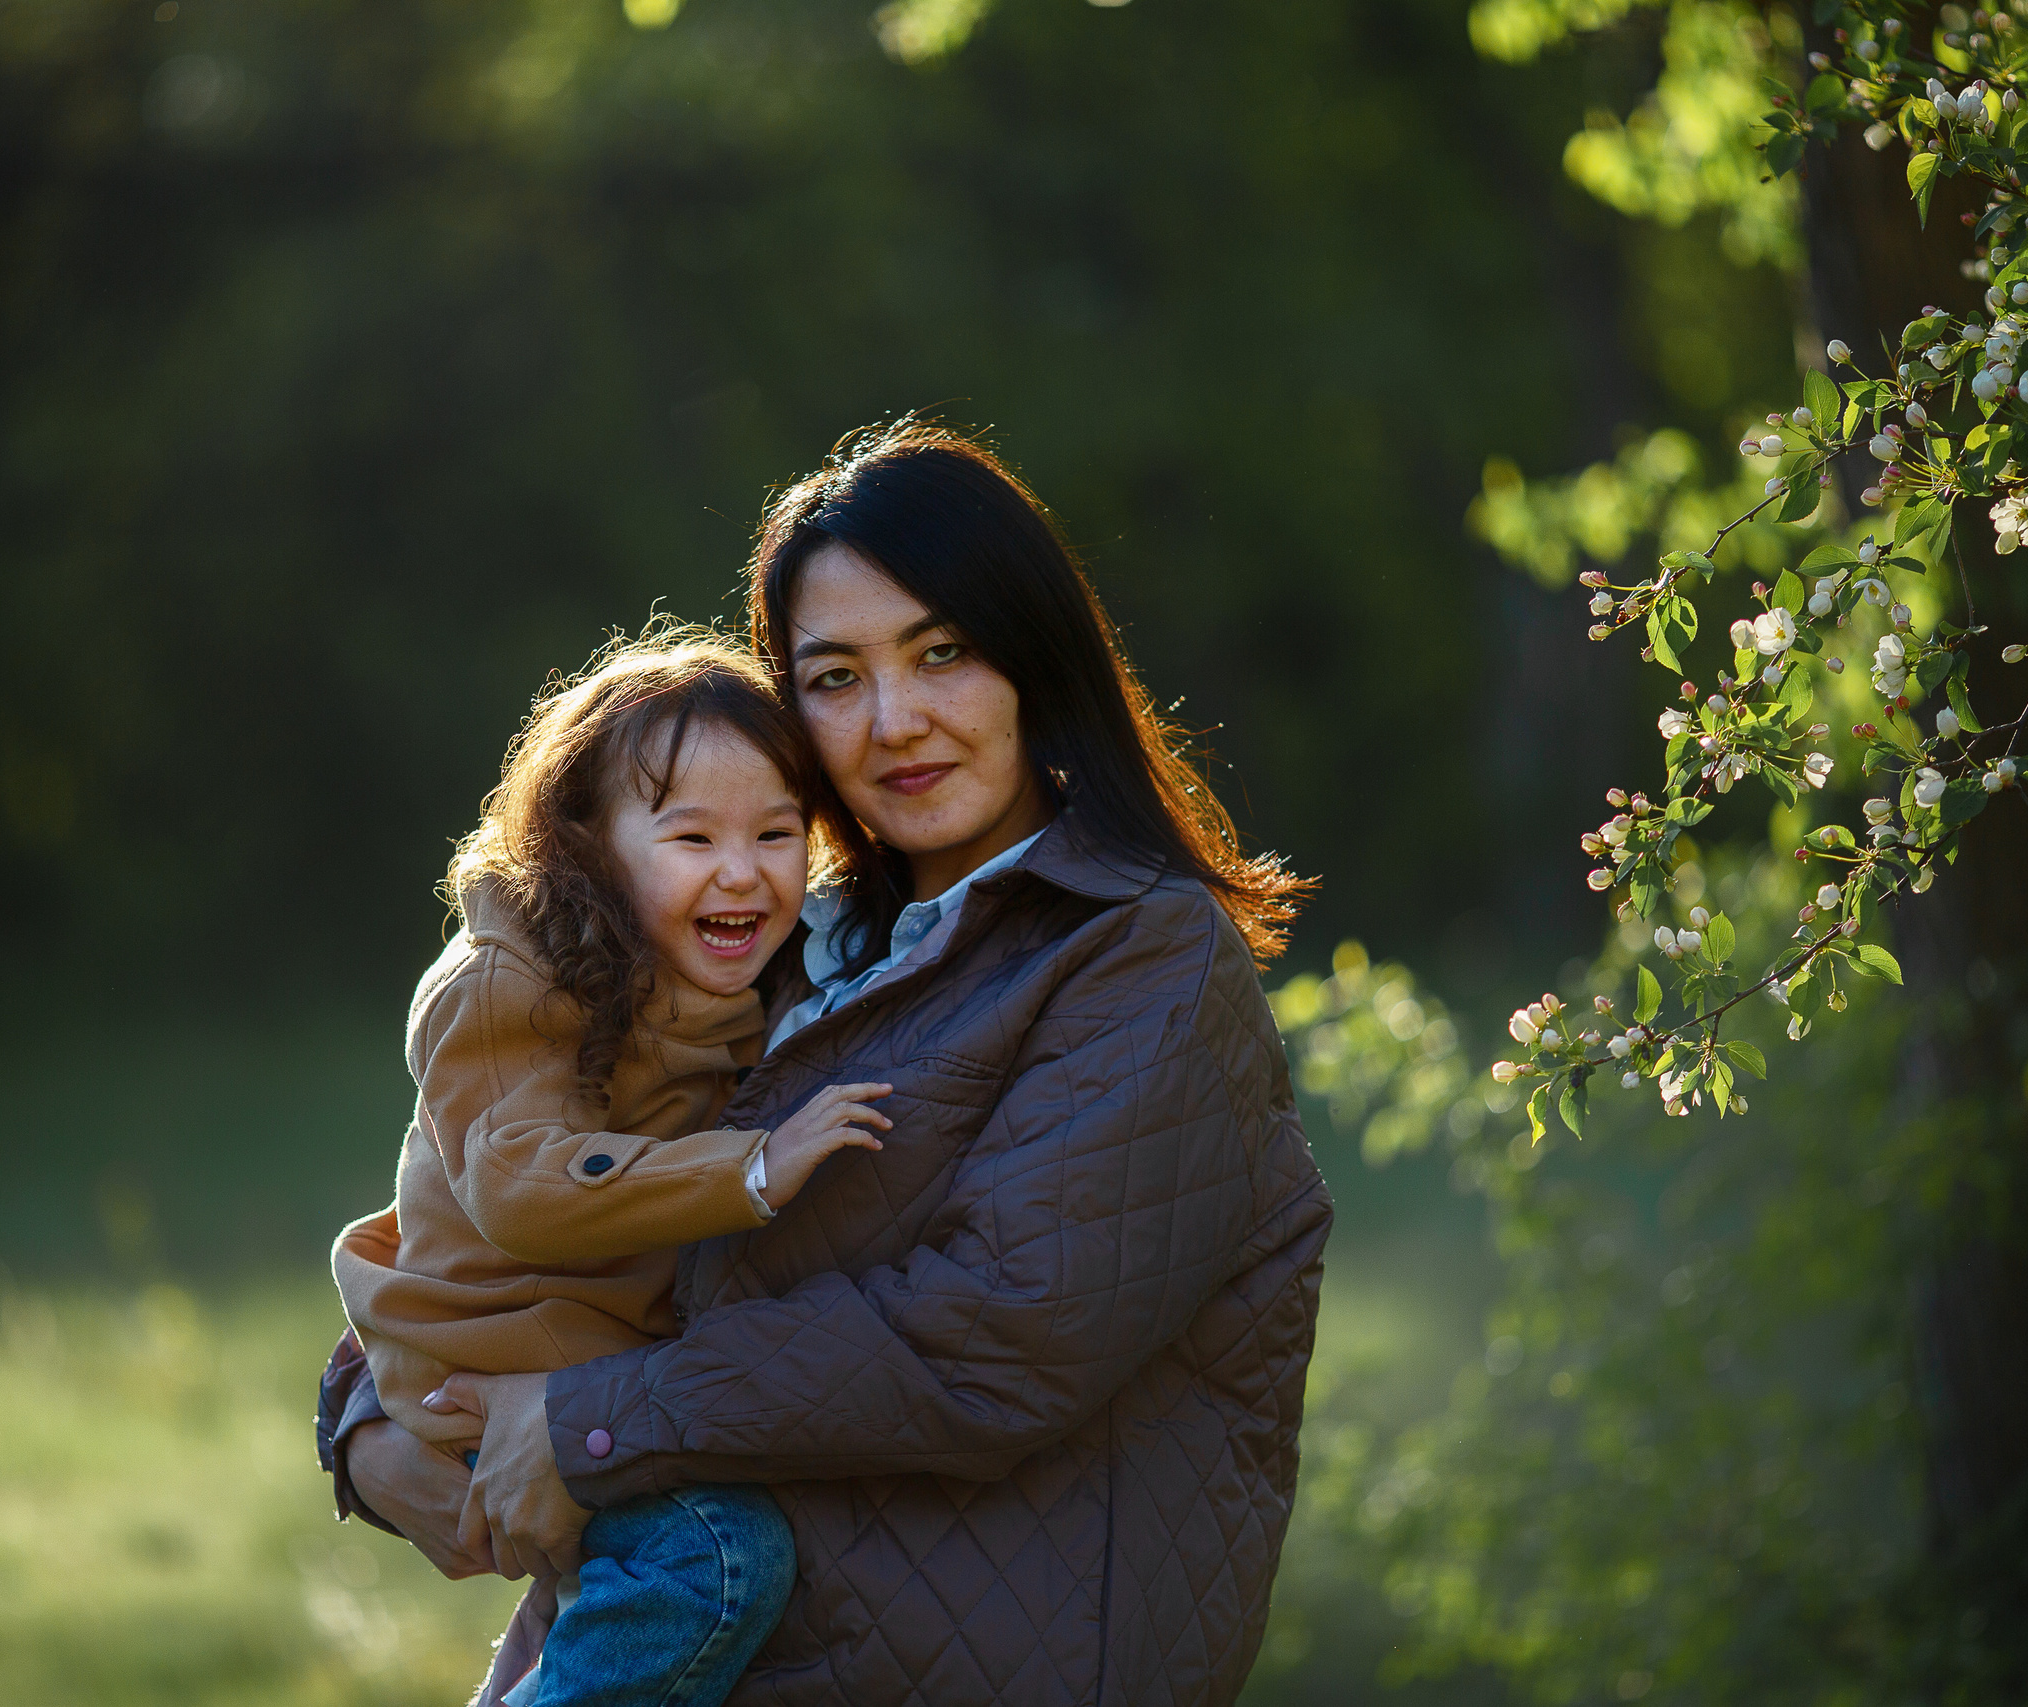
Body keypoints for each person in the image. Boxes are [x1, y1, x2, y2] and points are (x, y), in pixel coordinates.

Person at [322, 420, 1335, 1706]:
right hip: (668, 1652)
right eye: (836, 677)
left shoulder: (1143, 959)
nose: (895, 722)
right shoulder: (769, 936)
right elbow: (505, 1198)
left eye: (941, 653)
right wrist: (366, 1427)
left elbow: (993, 1337)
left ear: (1033, 657)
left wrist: (588, 1425)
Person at [328, 630, 902, 1707]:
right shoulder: (505, 983)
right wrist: (750, 1169)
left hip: (596, 1366)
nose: (742, 870)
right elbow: (518, 1184)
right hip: (484, 1363)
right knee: (716, 1554)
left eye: (777, 833)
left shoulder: (756, 980)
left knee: (627, 1589)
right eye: (692, 836)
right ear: (586, 847)